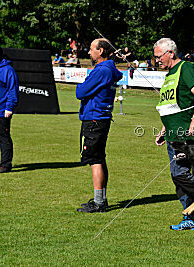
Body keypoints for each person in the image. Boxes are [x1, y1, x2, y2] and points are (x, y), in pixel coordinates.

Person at [153, 38, 194, 230]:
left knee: (180, 173)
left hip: (186, 135)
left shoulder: (186, 68)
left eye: (159, 56)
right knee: (177, 177)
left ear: (170, 53)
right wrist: (164, 129)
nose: (156, 60)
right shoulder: (168, 75)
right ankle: (191, 216)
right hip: (172, 135)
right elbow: (171, 107)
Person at [76, 38, 123, 213]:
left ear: (101, 51)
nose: (89, 52)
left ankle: (98, 202)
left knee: (95, 160)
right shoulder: (109, 69)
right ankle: (101, 199)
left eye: (91, 49)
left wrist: (82, 87)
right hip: (100, 118)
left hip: (94, 118)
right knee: (100, 159)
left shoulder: (102, 70)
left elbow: (81, 92)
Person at [0, 46, 19, 173]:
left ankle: (5, 164)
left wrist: (9, 108)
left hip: (2, 111)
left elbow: (13, 91)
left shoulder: (8, 70)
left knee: (3, 137)